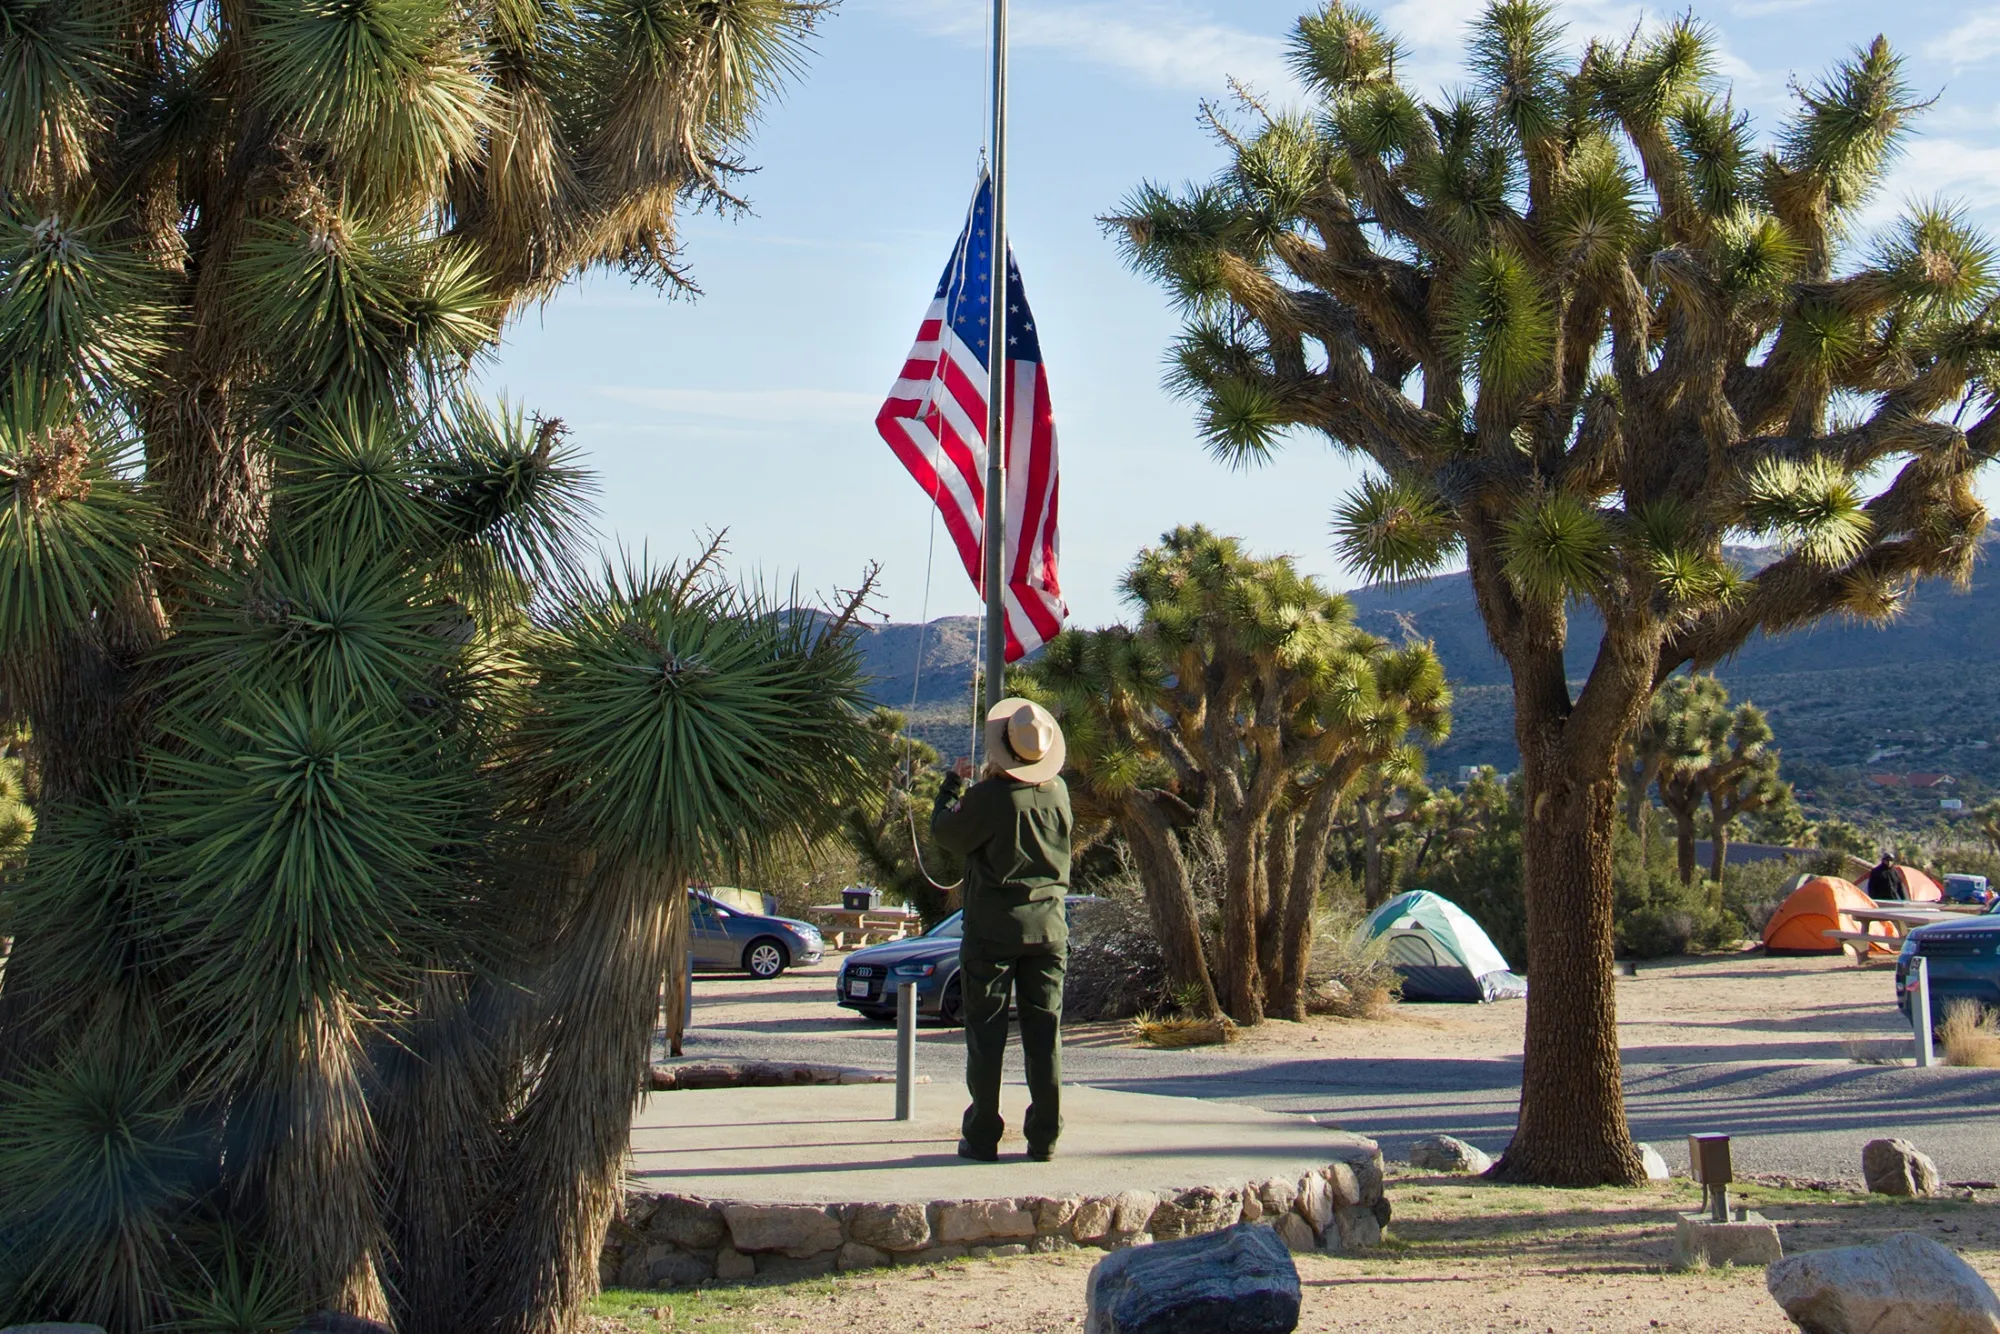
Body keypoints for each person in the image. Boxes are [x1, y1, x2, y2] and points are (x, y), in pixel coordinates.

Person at [930, 697, 1072, 1163]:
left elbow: (947, 834)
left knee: (987, 1034)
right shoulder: (1058, 794)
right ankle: (1045, 1136)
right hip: (1049, 929)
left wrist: (952, 784)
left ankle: (984, 1133)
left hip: (993, 932)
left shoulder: (988, 798)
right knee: (1043, 1032)